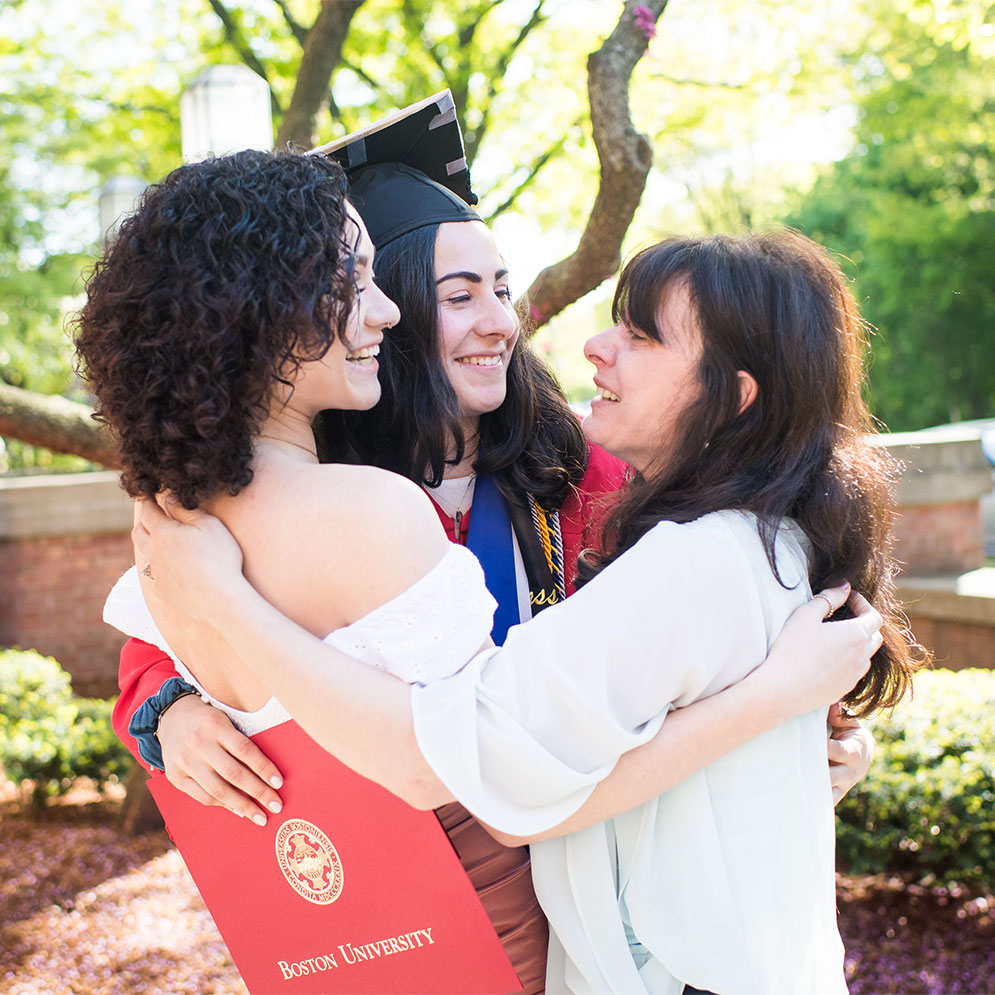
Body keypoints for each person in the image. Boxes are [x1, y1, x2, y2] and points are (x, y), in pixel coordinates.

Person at [107, 100, 874, 993]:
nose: (501, 324)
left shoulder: (587, 472)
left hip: (574, 897)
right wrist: (167, 715)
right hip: (426, 899)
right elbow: (165, 638)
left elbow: (739, 641)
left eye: (503, 291)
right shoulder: (336, 493)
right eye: (458, 296)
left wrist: (811, 732)